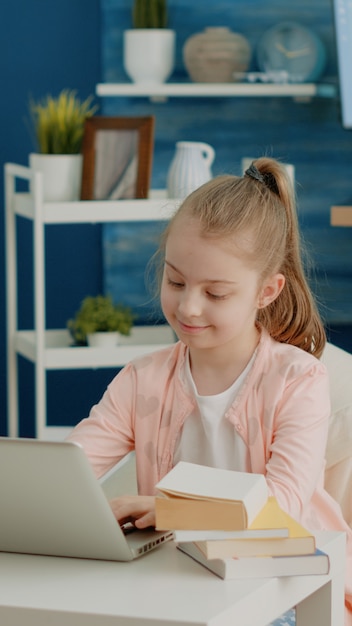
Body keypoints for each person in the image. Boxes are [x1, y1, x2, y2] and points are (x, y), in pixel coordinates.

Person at [67, 157, 352, 624]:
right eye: (175, 280)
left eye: (215, 293)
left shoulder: (298, 379)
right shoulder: (143, 379)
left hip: (286, 588)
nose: (189, 306)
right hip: (183, 587)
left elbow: (282, 506)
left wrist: (170, 509)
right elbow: (71, 470)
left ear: (267, 291)